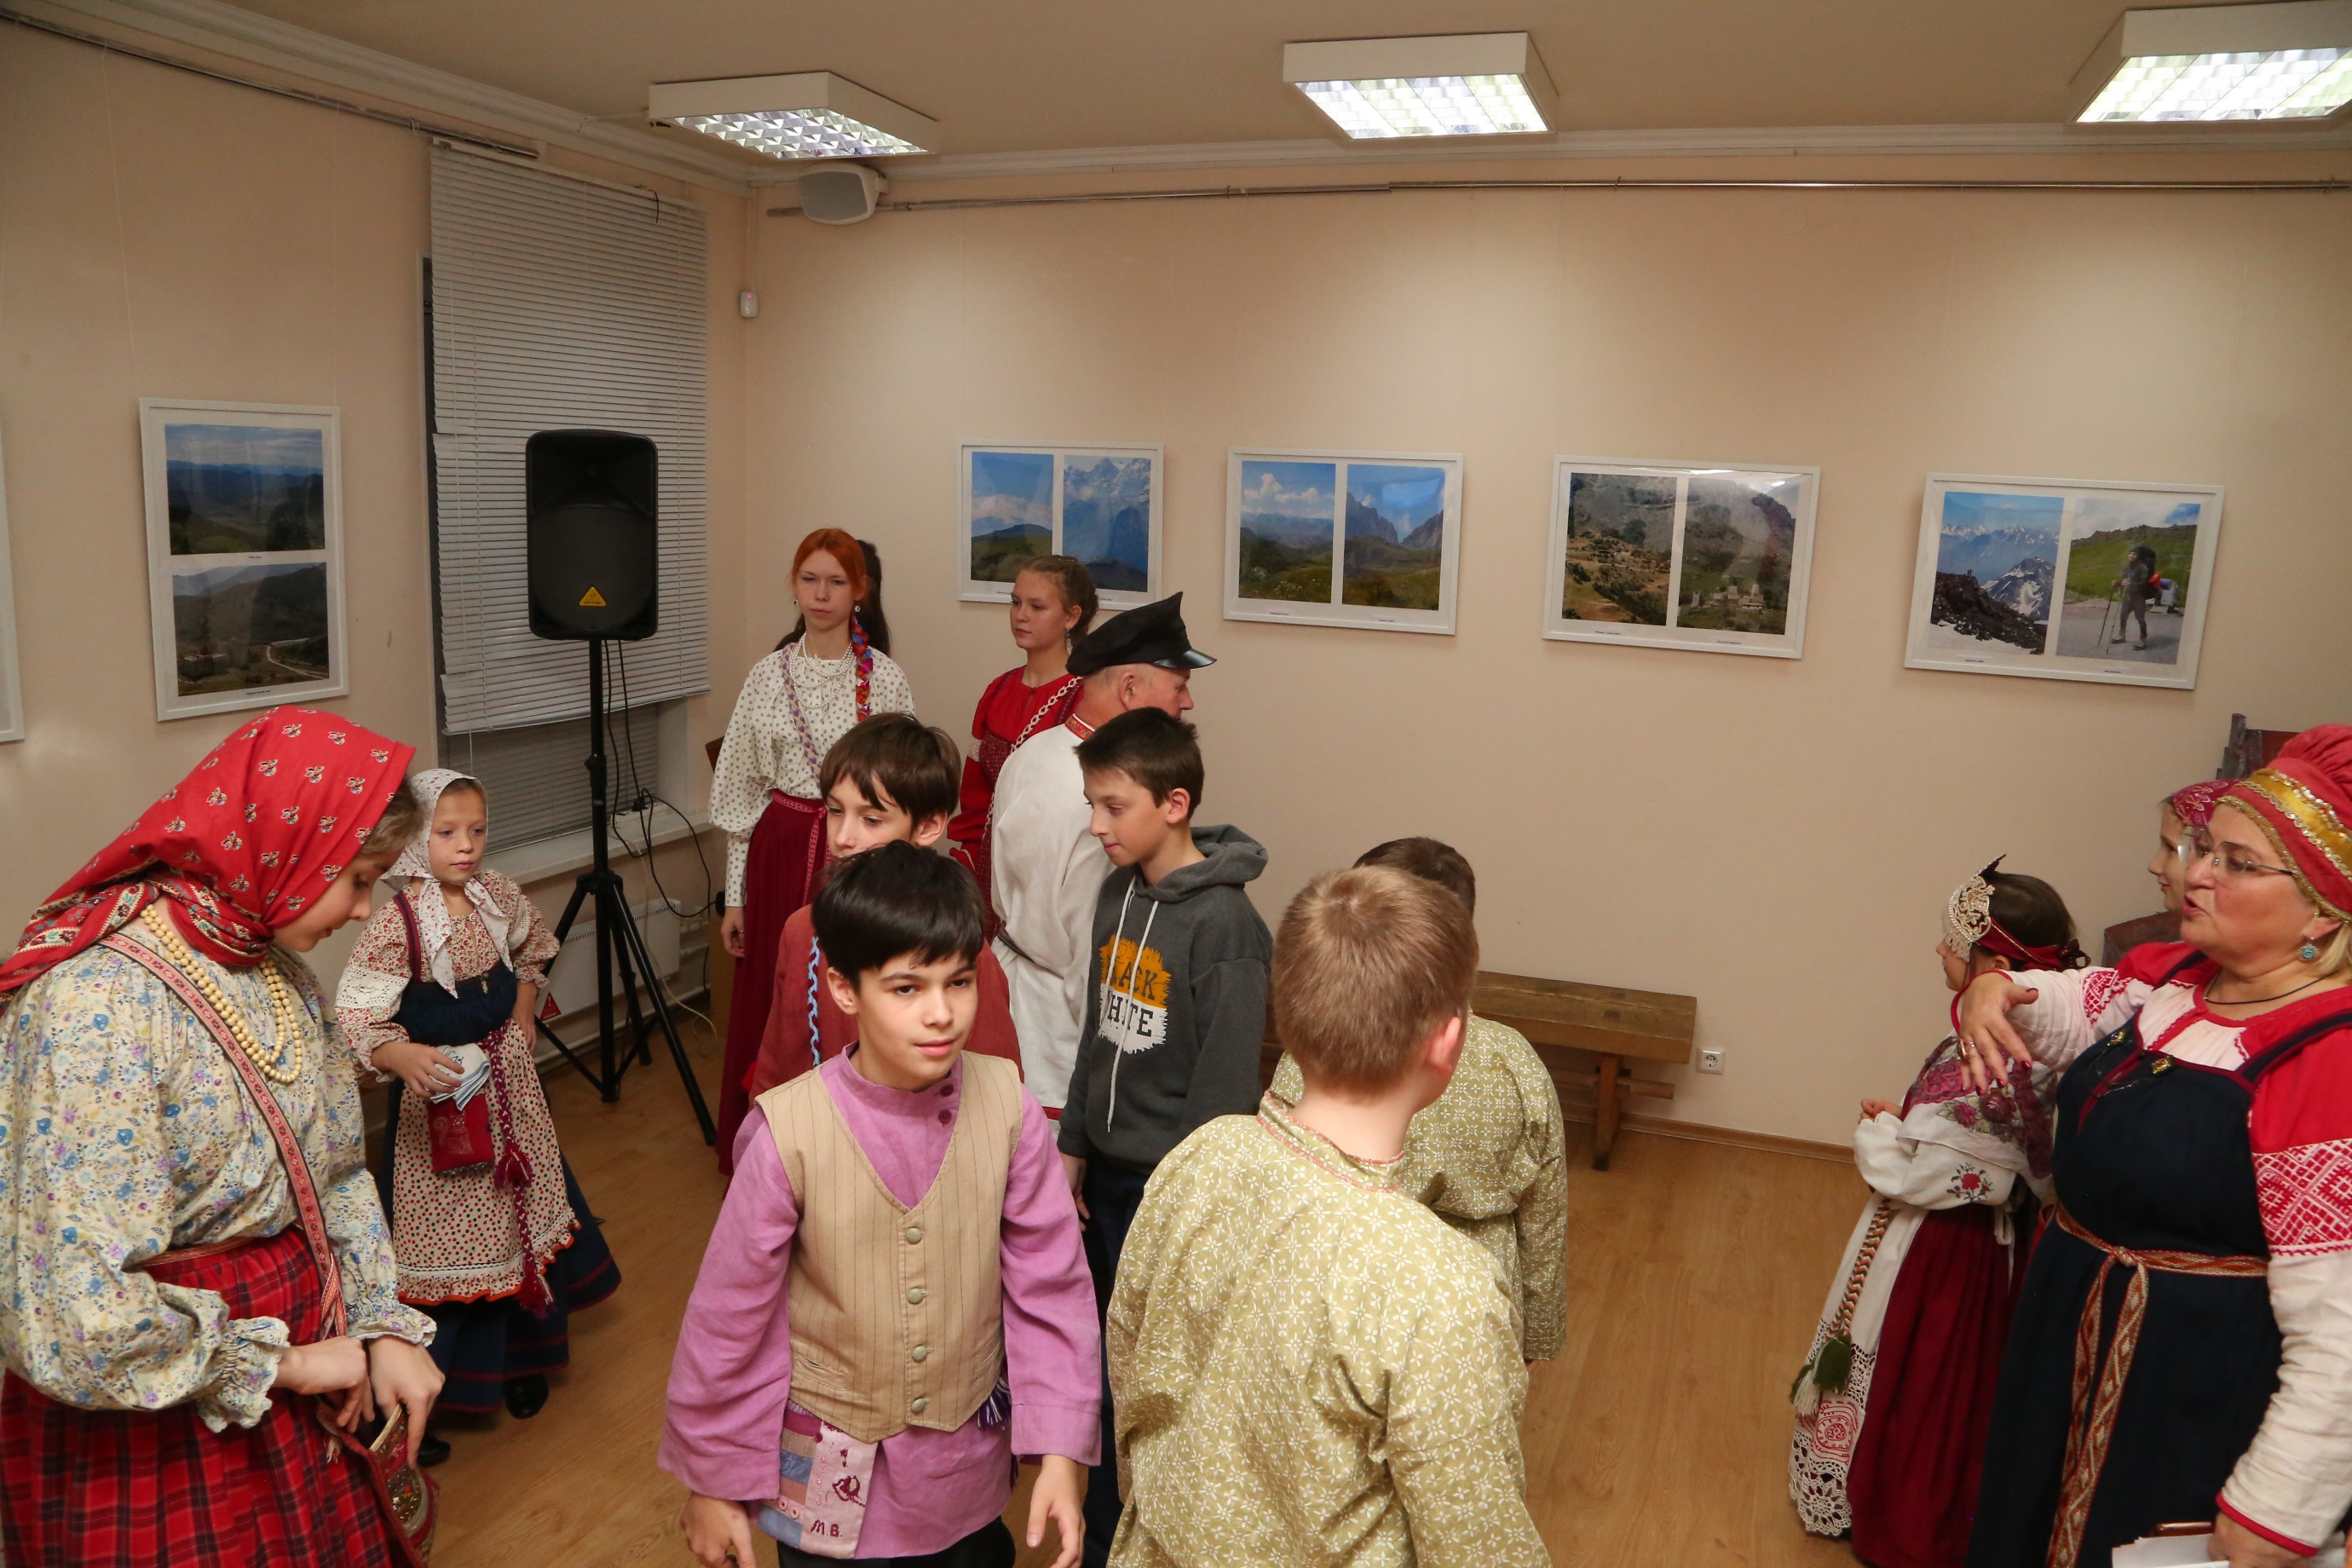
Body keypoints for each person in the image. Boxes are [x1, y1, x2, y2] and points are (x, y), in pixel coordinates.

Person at [0, 706, 446, 1566]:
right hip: (161, 1407)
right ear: (288, 848)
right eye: (358, 880)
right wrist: (284, 1364)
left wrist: (379, 1323)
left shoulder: (279, 973)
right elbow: (75, 1310)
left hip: (311, 1357)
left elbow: (337, 1175)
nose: (364, 910)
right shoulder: (96, 1007)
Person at [1957, 725, 2352, 1568]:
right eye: (2205, 848)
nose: (2196, 872)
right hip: (2068, 1339)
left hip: (2186, 1390)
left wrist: (2277, 1505)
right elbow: (2073, 1007)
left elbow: (2341, 1324)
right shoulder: (2179, 980)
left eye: (2237, 863)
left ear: (2323, 910)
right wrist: (1996, 986)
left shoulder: (2327, 1060)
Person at [661, 842, 1099, 1568]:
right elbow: (730, 1320)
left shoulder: (1009, 1108)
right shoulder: (786, 1133)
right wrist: (711, 1482)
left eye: (959, 983)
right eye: (906, 988)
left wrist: (1060, 1450)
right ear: (843, 988)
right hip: (825, 1487)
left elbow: (1050, 1285)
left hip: (962, 1479)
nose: (941, 1014)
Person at [1104, 865, 1548, 1568]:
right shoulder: (1443, 1289)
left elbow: (1131, 1361)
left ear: (1288, 1013)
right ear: (1447, 1042)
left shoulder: (1201, 1156)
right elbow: (1477, 1544)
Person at [1788, 861, 2084, 1568]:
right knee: (1942, 1377)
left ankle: (1904, 1515)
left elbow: (1925, 1173)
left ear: (1998, 966)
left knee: (1924, 1372)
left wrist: (1879, 1133)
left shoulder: (1997, 1056)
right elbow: (1976, 1145)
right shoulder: (2016, 1044)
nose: (1942, 952)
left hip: (1946, 1248)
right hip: (1965, 1235)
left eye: (1956, 943)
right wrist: (1912, 1118)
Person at [335, 770, 620, 1461]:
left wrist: (523, 1009)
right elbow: (357, 1013)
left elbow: (534, 949)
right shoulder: (398, 922)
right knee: (452, 1239)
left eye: (477, 831)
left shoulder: (500, 895)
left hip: (509, 1089)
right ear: (417, 840)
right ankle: (428, 1390)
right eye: (447, 832)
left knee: (514, 1217)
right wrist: (398, 1054)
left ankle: (522, 1361)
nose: (466, 846)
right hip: (442, 1102)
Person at [1055, 707, 1272, 1564]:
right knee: (1100, 1368)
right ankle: (1100, 1532)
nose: (1096, 825)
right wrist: (1074, 1143)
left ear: (1174, 803)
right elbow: (1097, 1030)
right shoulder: (1118, 893)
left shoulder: (1227, 928)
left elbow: (1224, 1091)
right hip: (1106, 1178)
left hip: (1168, 1192)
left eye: (1113, 806)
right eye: (1092, 804)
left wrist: (1181, 1205)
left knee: (1153, 1380)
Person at [1267, 838, 1569, 1363]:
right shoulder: (1513, 1061)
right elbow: (1543, 1217)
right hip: (1477, 1296)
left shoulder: (1311, 1056)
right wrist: (1535, 1334)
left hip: (1340, 1283)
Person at [710, 528, 915, 1165]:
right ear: (794, 587)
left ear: (860, 591)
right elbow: (742, 793)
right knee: (773, 994)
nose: (821, 594)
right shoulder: (767, 675)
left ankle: (849, 1144)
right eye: (809, 580)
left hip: (860, 855)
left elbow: (904, 790)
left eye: (835, 582)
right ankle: (767, 1150)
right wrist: (736, 897)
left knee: (851, 988)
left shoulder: (885, 679)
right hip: (778, 848)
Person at [989, 592, 1212, 1121]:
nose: (1187, 702)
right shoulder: (1109, 801)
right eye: (1179, 685)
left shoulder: (1034, 750)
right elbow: (1095, 945)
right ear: (1130, 689)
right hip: (1061, 1041)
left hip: (1009, 1001)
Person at [747, 714, 1022, 1102]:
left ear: (927, 827)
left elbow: (998, 1088)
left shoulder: (961, 948)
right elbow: (778, 1062)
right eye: (836, 811)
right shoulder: (802, 929)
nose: (843, 838)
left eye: (872, 819)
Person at [948, 556, 1099, 935]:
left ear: (1071, 616)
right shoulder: (998, 691)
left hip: (1048, 878)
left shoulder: (1087, 698)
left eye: (1037, 606)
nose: (1021, 615)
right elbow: (975, 793)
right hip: (987, 868)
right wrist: (967, 859)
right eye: (1016, 602)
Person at [2112, 544, 2158, 650]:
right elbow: (2124, 581)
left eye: (2134, 554)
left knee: (2140, 618)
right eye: (2130, 553)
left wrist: (2131, 584)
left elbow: (2144, 583)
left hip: (2139, 597)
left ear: (2138, 556)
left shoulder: (2142, 567)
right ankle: (2122, 636)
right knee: (2123, 616)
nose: (2132, 555)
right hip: (2128, 596)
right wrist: (2117, 583)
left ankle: (2143, 640)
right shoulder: (2127, 568)